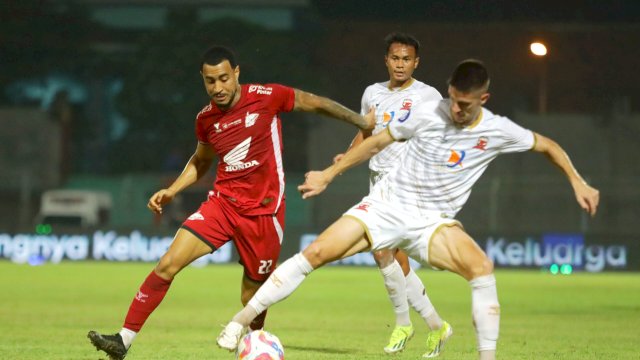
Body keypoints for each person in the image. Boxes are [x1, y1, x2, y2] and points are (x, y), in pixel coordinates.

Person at [217, 59, 600, 360]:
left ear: (482, 100)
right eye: (451, 98)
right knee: (315, 253)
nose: (454, 109)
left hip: (432, 223)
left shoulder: (498, 130)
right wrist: (330, 173)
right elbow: (377, 141)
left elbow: (547, 145)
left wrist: (578, 181)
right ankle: (238, 322)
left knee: (482, 268)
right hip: (386, 205)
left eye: (464, 105)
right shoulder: (430, 112)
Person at [87, 45, 373, 360]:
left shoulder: (267, 96)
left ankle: (255, 343)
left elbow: (315, 103)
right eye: (210, 81)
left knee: (252, 293)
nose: (218, 88)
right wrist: (173, 189)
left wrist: (359, 121)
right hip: (222, 204)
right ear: (203, 80)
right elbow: (201, 160)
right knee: (168, 263)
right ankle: (123, 340)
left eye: (224, 78)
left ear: (236, 74)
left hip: (264, 213)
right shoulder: (206, 120)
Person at [333, 32, 449, 356]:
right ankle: (437, 326)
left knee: (381, 248)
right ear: (387, 60)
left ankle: (403, 323)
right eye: (395, 58)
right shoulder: (373, 93)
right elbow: (365, 134)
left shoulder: (428, 96)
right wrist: (344, 160)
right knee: (394, 257)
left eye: (407, 59)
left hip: (406, 183)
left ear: (416, 62)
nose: (401, 64)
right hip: (378, 180)